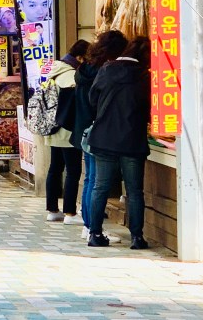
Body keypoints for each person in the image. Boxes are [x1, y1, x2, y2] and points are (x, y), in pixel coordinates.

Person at [86, 36, 152, 250]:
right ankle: (137, 237)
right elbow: (149, 108)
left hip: (104, 138)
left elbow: (92, 100)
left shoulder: (106, 70)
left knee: (100, 187)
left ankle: (95, 234)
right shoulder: (145, 76)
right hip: (133, 140)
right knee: (134, 191)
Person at [75, 30, 128, 242]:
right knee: (96, 180)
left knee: (90, 179)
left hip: (85, 128)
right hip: (97, 130)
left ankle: (88, 225)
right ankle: (92, 228)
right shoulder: (103, 71)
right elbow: (97, 102)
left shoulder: (85, 68)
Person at [44, 40, 91, 225]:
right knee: (73, 170)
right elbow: (74, 106)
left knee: (55, 168)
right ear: (79, 57)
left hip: (53, 127)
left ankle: (52, 210)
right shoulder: (71, 76)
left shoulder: (55, 70)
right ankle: (70, 213)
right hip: (67, 128)